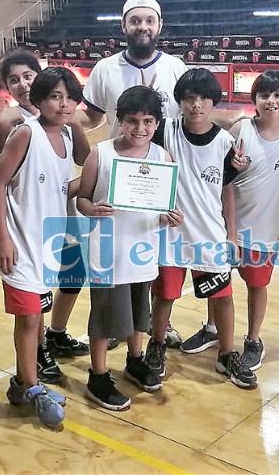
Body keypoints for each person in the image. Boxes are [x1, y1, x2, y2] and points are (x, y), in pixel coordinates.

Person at [81, 0, 193, 349]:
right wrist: (59, 121)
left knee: (155, 256)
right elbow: (92, 116)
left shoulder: (177, 68)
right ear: (124, 26)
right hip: (116, 180)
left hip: (160, 178)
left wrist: (235, 127)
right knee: (118, 254)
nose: (142, 27)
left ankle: (157, 324)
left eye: (149, 20)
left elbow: (193, 117)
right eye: (135, 20)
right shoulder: (105, 69)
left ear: (159, 25)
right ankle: (116, 324)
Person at [0, 67, 87, 427]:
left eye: (70, 97)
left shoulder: (69, 138)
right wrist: (3, 238)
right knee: (28, 319)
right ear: (39, 99)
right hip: (18, 242)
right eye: (56, 96)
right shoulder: (26, 133)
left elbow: (57, 189)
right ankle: (32, 386)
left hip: (46, 243)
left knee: (36, 317)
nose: (64, 103)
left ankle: (20, 382)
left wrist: (95, 187)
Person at [179, 71, 279, 372]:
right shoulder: (240, 129)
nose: (271, 101)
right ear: (255, 101)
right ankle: (212, 328)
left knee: (256, 286)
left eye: (278, 95)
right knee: (217, 280)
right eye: (264, 95)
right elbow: (220, 174)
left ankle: (253, 339)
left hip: (267, 229)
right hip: (225, 224)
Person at [145, 68, 257, 389]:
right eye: (189, 98)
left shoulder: (225, 143)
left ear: (213, 102)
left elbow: (227, 191)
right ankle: (157, 344)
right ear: (179, 102)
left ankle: (227, 352)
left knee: (222, 296)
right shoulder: (165, 130)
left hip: (209, 234)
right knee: (165, 295)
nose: (196, 105)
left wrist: (232, 236)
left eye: (203, 99)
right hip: (170, 234)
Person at [77, 86, 183, 410]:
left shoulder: (162, 157)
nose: (140, 129)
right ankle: (98, 375)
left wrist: (169, 218)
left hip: (143, 249)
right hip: (109, 250)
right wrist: (92, 209)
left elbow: (163, 206)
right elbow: (82, 198)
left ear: (157, 123)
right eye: (132, 121)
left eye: (148, 121)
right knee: (105, 316)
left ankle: (135, 360)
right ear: (119, 121)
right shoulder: (101, 153)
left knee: (140, 311)